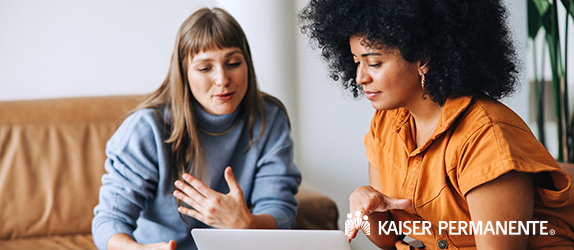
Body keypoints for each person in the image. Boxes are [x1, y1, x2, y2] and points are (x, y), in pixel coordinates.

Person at [299, 0, 574, 249]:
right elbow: (387, 239)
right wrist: (366, 200)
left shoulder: (486, 137)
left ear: (424, 59)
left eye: (374, 62)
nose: (360, 77)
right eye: (356, 61)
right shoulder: (385, 124)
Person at [92, 7, 301, 250]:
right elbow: (110, 221)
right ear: (183, 73)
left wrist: (248, 223)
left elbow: (280, 209)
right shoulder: (146, 129)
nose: (222, 79)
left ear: (248, 64)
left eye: (233, 63)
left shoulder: (269, 118)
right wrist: (139, 249)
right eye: (205, 68)